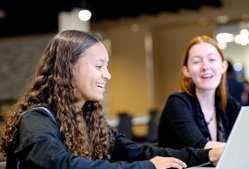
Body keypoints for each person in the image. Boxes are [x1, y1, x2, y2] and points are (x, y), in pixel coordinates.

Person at [0, 30, 223, 169]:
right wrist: (147, 167)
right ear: (68, 69)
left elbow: (142, 152)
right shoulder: (36, 119)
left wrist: (206, 154)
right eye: (99, 66)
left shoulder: (89, 120)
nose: (107, 75)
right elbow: (62, 165)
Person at [157, 35, 249, 154]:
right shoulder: (177, 103)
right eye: (197, 61)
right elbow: (200, 147)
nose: (205, 66)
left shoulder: (226, 103)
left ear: (223, 66)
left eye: (212, 59)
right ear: (187, 71)